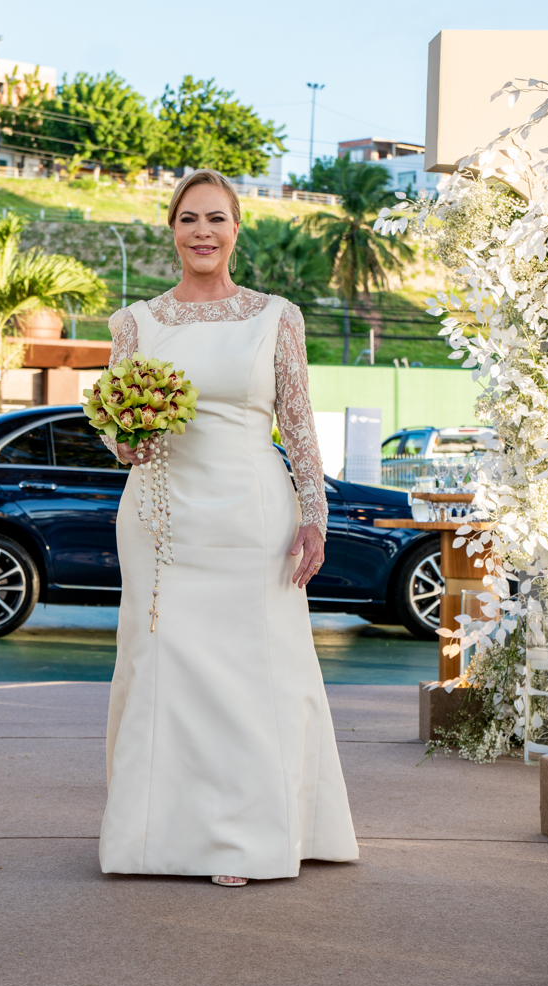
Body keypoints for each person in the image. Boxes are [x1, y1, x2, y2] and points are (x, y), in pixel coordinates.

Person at [99, 169, 358, 886]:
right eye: (188, 219)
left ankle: (246, 838)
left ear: (236, 229)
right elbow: (115, 432)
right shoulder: (135, 323)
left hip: (252, 514)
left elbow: (297, 424)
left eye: (215, 218)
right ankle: (157, 837)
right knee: (164, 666)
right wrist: (129, 437)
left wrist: (315, 516)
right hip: (160, 518)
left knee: (251, 669)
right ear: (172, 230)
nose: (202, 232)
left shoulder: (275, 316)